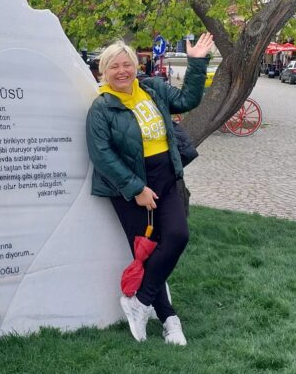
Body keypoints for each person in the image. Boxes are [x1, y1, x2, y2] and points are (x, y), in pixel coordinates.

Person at [86, 33, 213, 346]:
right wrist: (136, 189)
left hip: (166, 178)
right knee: (147, 252)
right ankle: (169, 319)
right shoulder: (102, 108)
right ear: (104, 71)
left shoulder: (153, 89)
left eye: (127, 64)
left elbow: (187, 101)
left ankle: (140, 301)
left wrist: (197, 63)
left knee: (178, 236)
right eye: (114, 66)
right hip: (131, 188)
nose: (122, 71)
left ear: (135, 65)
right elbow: (102, 155)